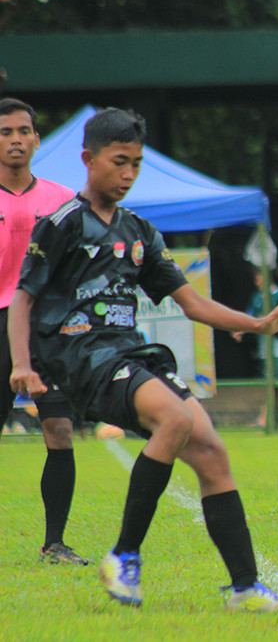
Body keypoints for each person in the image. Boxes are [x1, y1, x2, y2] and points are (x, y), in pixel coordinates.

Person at [9, 107, 278, 611]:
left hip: (128, 352)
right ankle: (124, 556)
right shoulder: (60, 224)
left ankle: (246, 588)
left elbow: (193, 304)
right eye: (119, 162)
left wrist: (256, 324)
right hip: (79, 355)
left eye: (137, 165)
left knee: (212, 450)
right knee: (172, 418)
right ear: (89, 159)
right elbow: (23, 299)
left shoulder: (141, 231)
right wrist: (22, 364)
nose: (128, 174)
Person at [0, 97, 89, 565]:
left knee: (58, 428)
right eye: (5, 132)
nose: (15, 139)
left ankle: (55, 543)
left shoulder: (62, 199)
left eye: (22, 131)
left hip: (48, 328)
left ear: (37, 139)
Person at [234, 268, 278, 428]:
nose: (259, 283)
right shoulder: (256, 297)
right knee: (276, 383)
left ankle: (264, 417)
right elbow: (250, 316)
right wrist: (241, 329)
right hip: (263, 347)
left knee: (273, 382)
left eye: (262, 280)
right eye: (257, 280)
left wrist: (264, 320)